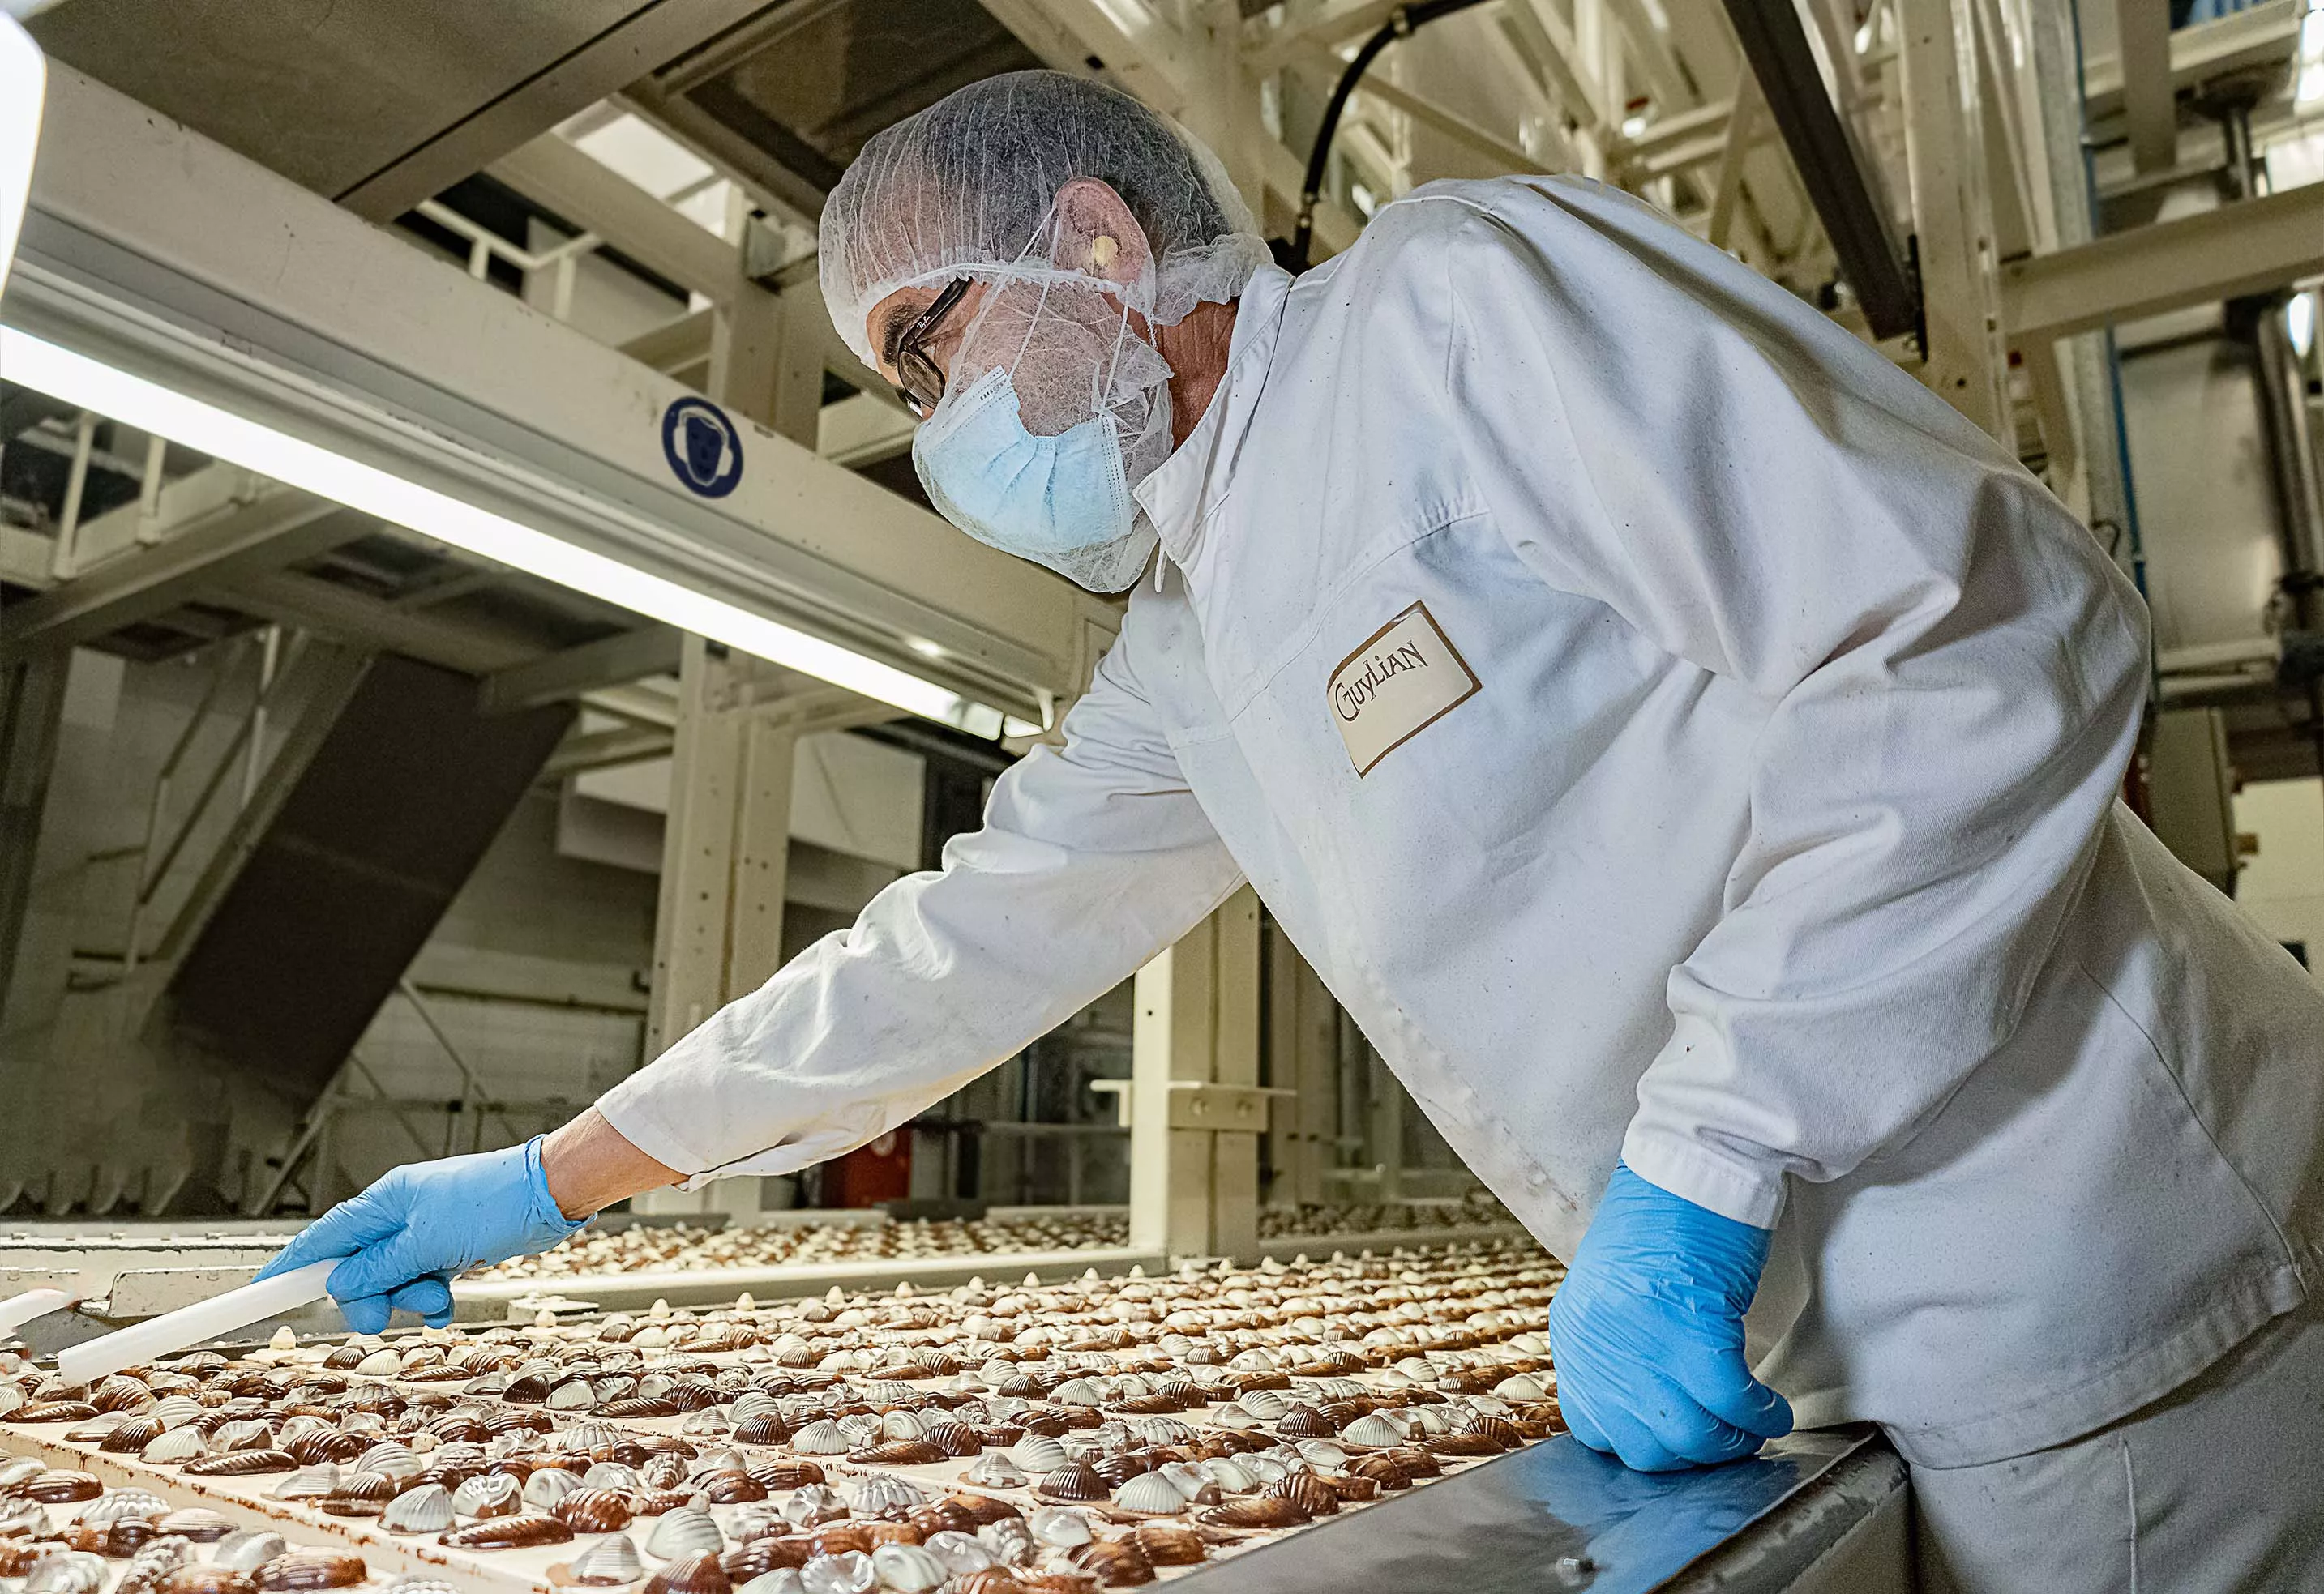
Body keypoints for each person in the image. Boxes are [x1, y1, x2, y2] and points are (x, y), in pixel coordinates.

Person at [260, 70, 2324, 1590]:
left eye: (923, 349)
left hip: (2106, 1279)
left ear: (1087, 243)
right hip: (1854, 1359)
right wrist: (557, 1173)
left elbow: (1978, 636)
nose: (927, 426)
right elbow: (956, 950)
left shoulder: (1446, 309)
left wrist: (1699, 1162)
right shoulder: (1190, 635)